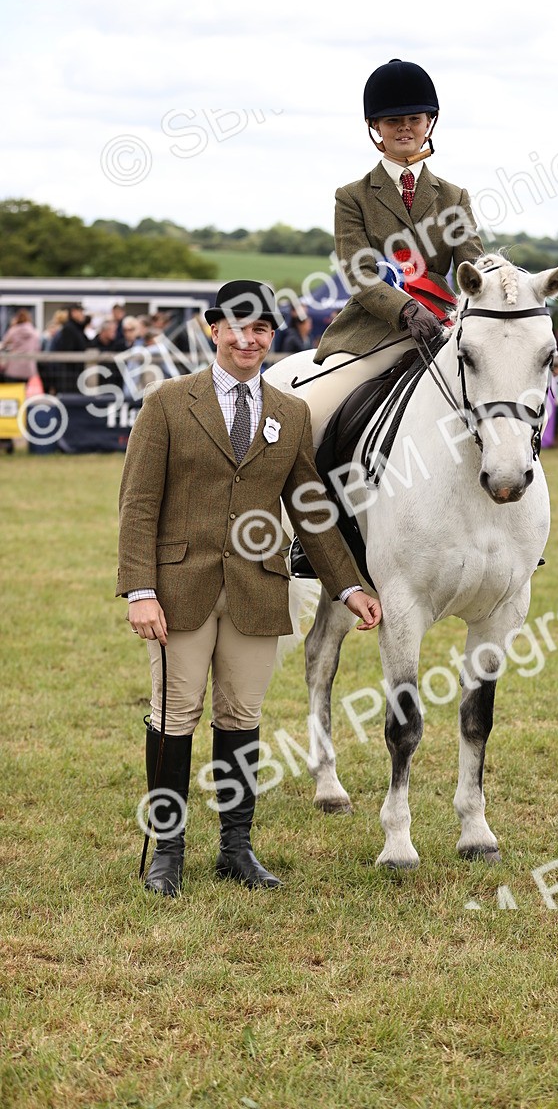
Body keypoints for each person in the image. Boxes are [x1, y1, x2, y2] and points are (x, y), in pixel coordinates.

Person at [117, 280, 382, 898]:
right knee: (174, 716)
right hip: (178, 589)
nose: (247, 338)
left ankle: (236, 849)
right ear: (214, 329)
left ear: (272, 336)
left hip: (256, 591)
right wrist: (139, 591)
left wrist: (348, 586)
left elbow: (312, 512)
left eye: (261, 329)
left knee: (241, 717)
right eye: (236, 326)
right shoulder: (167, 403)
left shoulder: (290, 414)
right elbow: (137, 506)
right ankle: (168, 852)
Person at [302, 58, 483, 442]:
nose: (404, 128)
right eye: (392, 121)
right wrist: (404, 307)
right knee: (312, 419)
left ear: (429, 122)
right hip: (373, 328)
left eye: (414, 118)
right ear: (375, 128)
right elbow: (358, 271)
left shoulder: (454, 196)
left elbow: (473, 268)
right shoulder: (352, 196)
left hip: (440, 326)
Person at [45, 303, 91, 394]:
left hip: (74, 377)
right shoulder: (69, 329)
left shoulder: (76, 329)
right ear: (73, 312)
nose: (83, 314)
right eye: (80, 311)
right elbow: (68, 353)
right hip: (70, 378)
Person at [0, 310, 41, 384]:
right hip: (28, 367)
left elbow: (4, 344)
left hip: (14, 367)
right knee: (23, 389)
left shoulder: (13, 330)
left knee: (13, 390)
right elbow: (37, 348)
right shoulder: (34, 332)